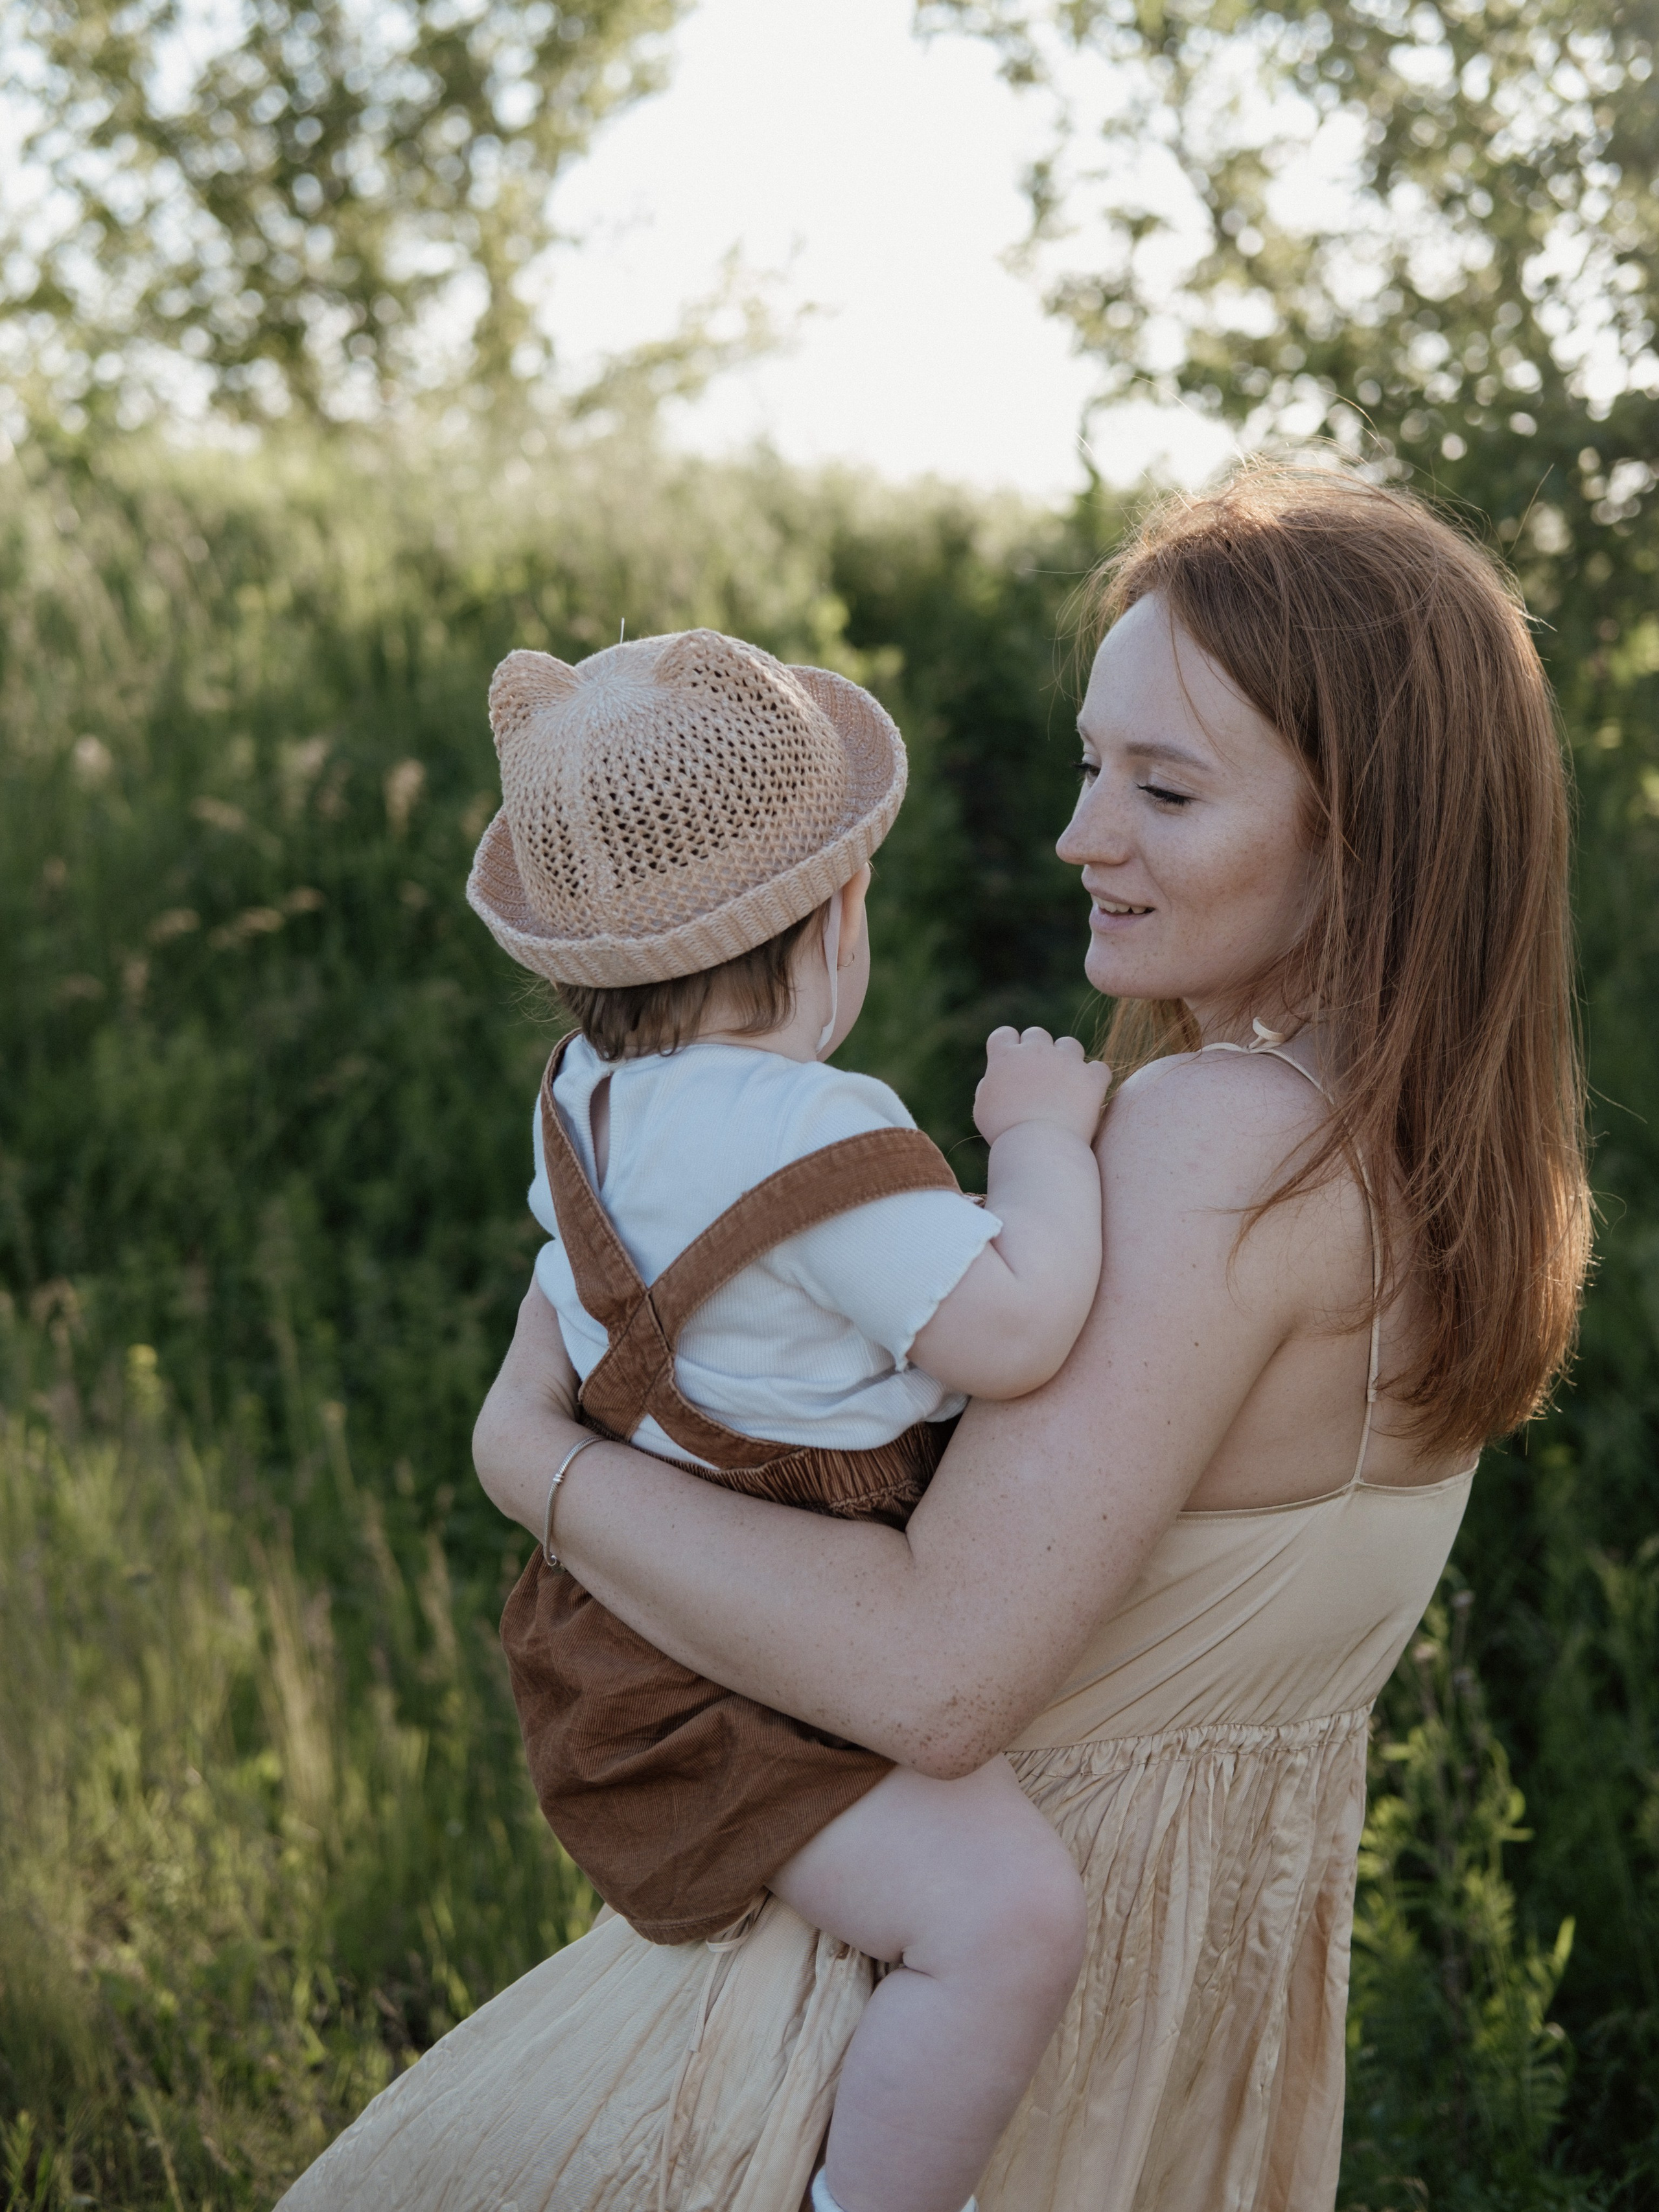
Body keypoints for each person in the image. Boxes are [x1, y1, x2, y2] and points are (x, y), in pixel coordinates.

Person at [276, 463, 1592, 2212]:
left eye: (1167, 786)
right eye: (1088, 763)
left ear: (1369, 827)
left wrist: (537, 1461)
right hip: (1168, 1998)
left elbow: (938, 1674)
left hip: (934, 2033)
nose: (1080, 836)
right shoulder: (1446, 1157)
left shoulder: (1220, 1140)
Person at [467, 627, 1108, 2212]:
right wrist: (1038, 1146)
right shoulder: (819, 1134)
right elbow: (1016, 1330)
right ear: (838, 914)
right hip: (731, 1680)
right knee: (1005, 1919)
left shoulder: (582, 1102)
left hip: (628, 1628)